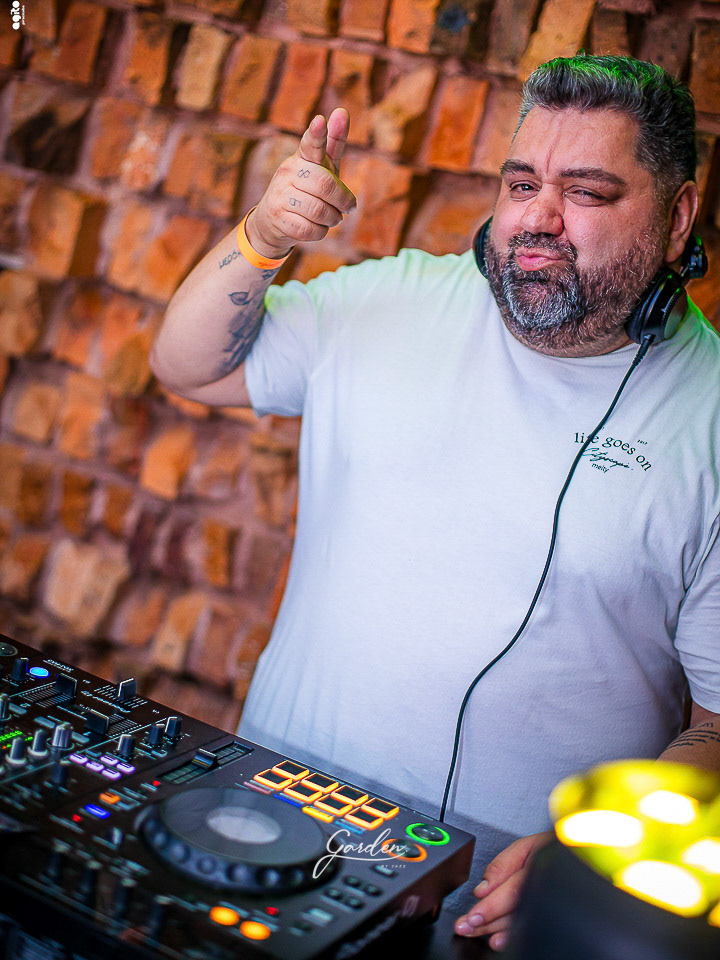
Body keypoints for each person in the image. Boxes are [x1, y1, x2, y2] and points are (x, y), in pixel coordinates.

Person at [150, 55, 720, 951]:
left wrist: (599, 846)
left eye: (586, 192)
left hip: (504, 917)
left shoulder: (711, 417)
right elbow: (188, 367)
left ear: (678, 214)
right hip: (266, 844)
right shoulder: (392, 297)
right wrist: (262, 236)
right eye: (521, 184)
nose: (537, 217)